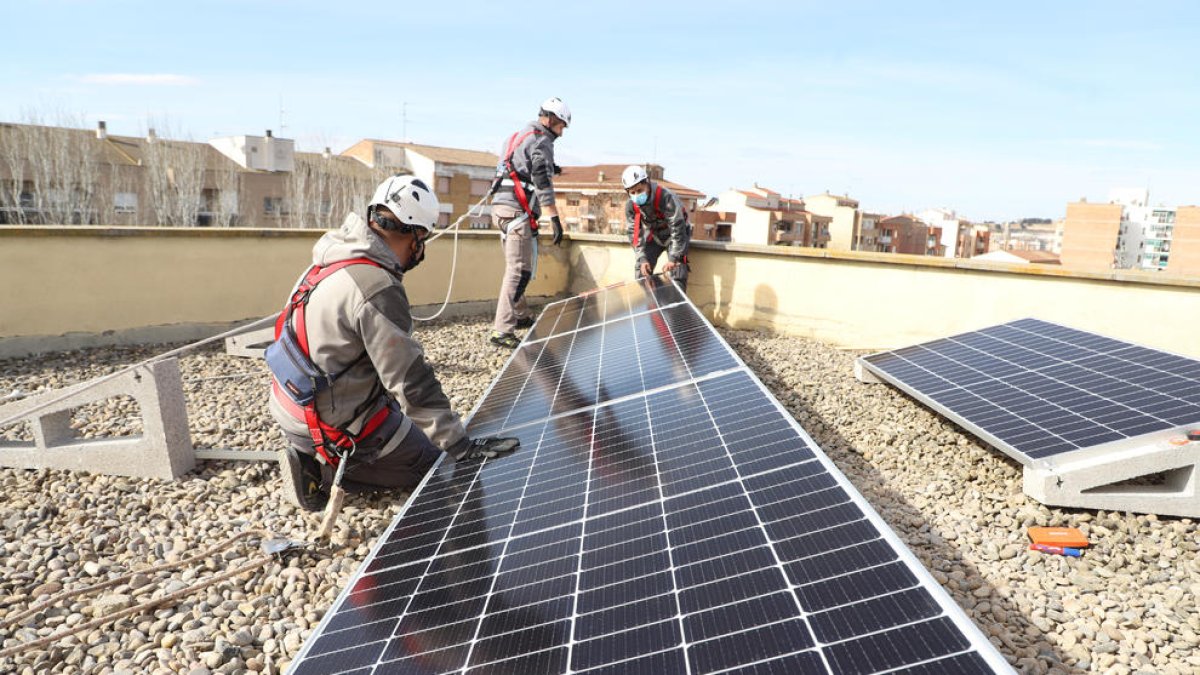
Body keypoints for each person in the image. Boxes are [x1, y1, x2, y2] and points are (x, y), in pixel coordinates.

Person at [268, 175, 520, 511]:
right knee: (433, 464)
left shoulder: (326, 262)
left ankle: (313, 451)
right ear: (412, 233)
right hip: (327, 422)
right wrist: (459, 445)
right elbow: (409, 379)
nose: (422, 249)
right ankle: (324, 473)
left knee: (404, 416)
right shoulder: (376, 285)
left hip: (289, 403)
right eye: (423, 238)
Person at [488, 97, 571, 349]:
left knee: (517, 265)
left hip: (500, 210)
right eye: (562, 127)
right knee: (519, 271)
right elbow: (541, 179)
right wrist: (554, 216)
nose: (561, 133)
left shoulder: (517, 136)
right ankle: (502, 331)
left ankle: (521, 315)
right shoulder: (542, 140)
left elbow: (520, 165)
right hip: (516, 212)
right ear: (552, 120)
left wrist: (549, 166)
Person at [623, 165, 691, 291]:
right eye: (632, 193)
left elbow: (677, 227)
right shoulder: (631, 206)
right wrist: (642, 258)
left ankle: (676, 305)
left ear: (647, 183)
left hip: (676, 234)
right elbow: (634, 234)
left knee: (677, 272)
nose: (637, 195)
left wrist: (674, 258)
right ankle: (656, 301)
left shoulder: (665, 197)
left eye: (639, 190)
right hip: (655, 234)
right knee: (641, 271)